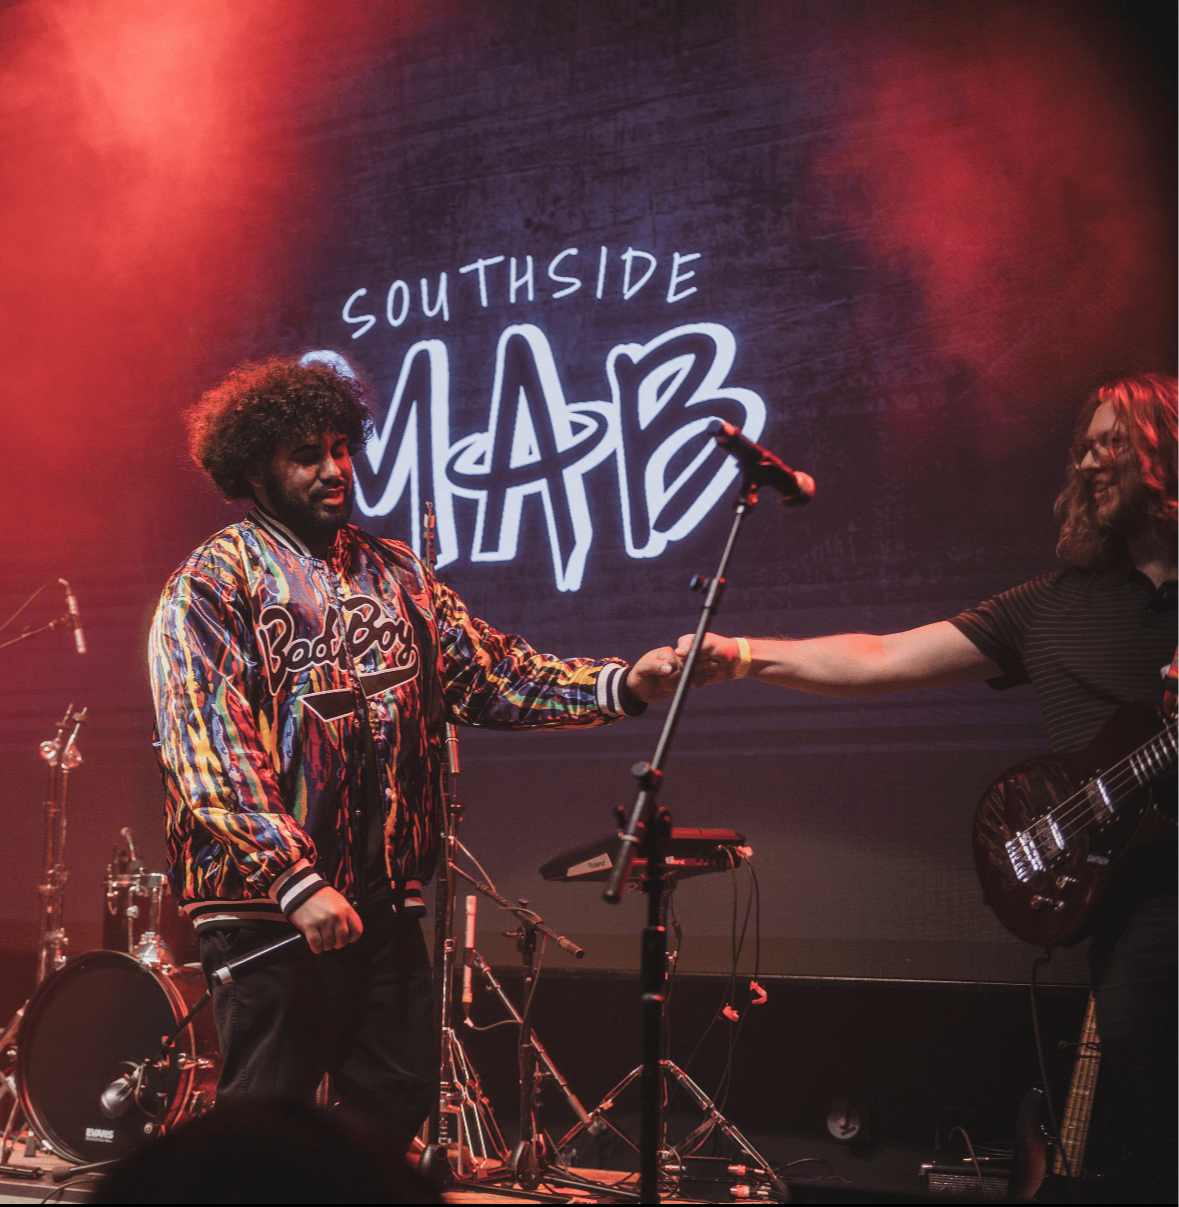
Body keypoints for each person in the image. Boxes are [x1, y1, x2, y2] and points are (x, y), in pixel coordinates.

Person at [149, 355, 682, 1140]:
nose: (335, 469)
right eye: (307, 455)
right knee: (263, 1128)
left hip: (381, 903)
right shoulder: (211, 583)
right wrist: (294, 879)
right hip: (268, 909)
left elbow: (495, 676)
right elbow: (208, 748)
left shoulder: (397, 573)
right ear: (255, 468)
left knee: (395, 1101)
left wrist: (622, 683)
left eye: (341, 448)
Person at [680, 373, 1179, 1199]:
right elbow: (881, 657)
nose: (1090, 461)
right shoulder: (1050, 607)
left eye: (1113, 442)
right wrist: (743, 655)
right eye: (1084, 446)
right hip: (1136, 912)